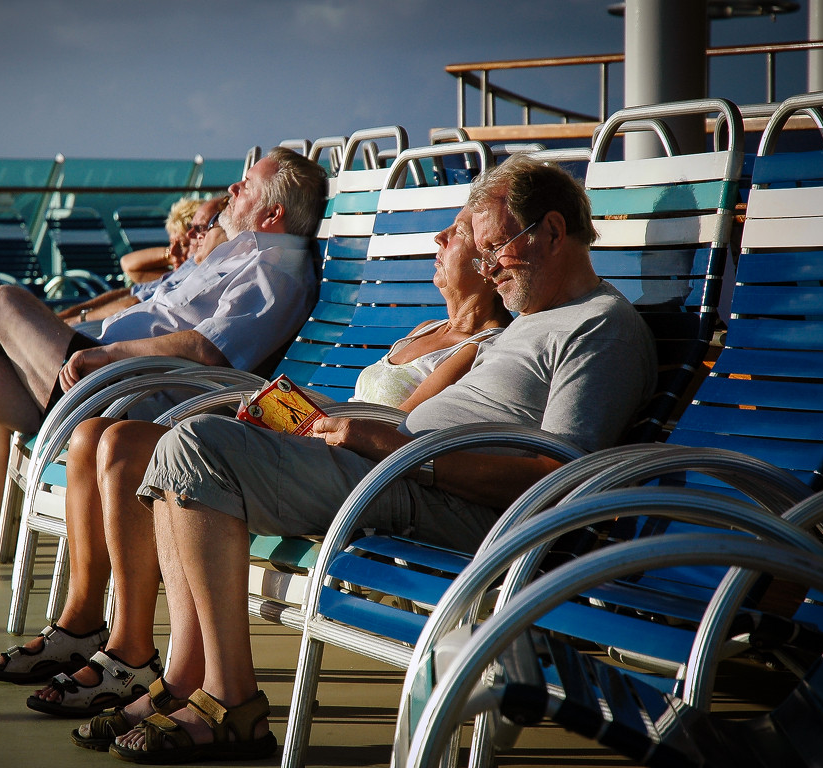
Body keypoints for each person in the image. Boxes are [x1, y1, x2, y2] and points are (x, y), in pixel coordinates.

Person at [109, 154, 657, 763]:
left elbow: (559, 481)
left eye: (496, 247)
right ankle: (189, 680)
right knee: (187, 431)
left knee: (197, 448)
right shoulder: (527, 322)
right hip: (398, 468)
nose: (486, 268)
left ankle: (232, 700)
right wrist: (325, 424)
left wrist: (400, 452)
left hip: (459, 506)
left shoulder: (600, 327)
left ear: (553, 231)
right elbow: (422, 418)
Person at [0, 208, 511, 751]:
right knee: (112, 438)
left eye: (459, 234)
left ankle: (194, 683)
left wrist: (303, 421)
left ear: (489, 265)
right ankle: (133, 649)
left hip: (359, 468)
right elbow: (356, 408)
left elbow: (392, 428)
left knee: (191, 448)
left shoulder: (475, 346)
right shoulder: (424, 331)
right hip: (324, 439)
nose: (439, 239)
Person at [0, 147, 328, 582]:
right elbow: (149, 304)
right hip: (102, 374)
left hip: (135, 391)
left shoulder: (275, 273)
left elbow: (209, 352)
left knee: (1, 302)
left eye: (246, 186)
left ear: (273, 212)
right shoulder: (237, 255)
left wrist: (108, 351)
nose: (231, 189)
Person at [0, 196, 229, 491]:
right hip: (95, 369)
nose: (187, 240)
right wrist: (179, 251)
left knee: (2, 303)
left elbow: (151, 313)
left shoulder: (202, 279)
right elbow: (126, 277)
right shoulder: (179, 275)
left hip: (110, 386)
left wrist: (180, 253)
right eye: (188, 231)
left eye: (199, 230)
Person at [55, 196, 229, 325]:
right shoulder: (179, 271)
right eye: (171, 243)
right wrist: (170, 253)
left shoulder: (197, 273)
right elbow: (129, 277)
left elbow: (132, 299)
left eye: (184, 243)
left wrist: (79, 319)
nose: (178, 250)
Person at [119, 197, 200, 285]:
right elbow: (128, 265)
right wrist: (170, 256)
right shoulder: (173, 277)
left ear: (202, 241)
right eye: (171, 243)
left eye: (182, 245)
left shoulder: (198, 280)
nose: (172, 251)